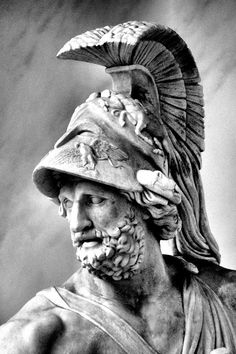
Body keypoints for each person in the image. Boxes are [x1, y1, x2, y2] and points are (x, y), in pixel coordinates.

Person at [0, 21, 235, 354]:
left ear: (148, 201)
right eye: (68, 204)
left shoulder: (228, 299)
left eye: (94, 200)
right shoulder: (34, 339)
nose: (77, 224)